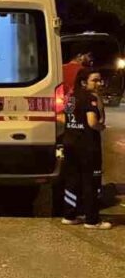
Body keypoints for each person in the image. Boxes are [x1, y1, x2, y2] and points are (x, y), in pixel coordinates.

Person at [61, 67, 111, 229]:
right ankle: (92, 220)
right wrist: (100, 127)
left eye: (100, 80)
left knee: (72, 180)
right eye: (95, 80)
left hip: (70, 144)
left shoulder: (71, 98)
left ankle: (69, 215)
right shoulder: (91, 98)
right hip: (88, 147)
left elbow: (63, 118)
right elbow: (92, 122)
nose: (99, 83)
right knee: (91, 182)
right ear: (84, 82)